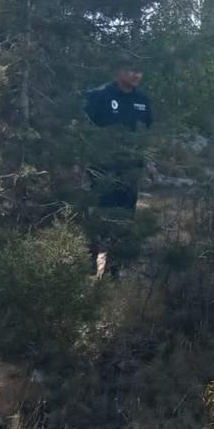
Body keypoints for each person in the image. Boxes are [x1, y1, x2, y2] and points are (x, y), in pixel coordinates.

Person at [83, 65, 153, 276]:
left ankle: (115, 268)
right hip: (102, 168)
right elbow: (85, 130)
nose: (136, 74)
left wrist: (147, 163)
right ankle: (90, 262)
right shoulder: (100, 95)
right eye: (131, 70)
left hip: (130, 169)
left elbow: (146, 133)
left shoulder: (142, 100)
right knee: (100, 213)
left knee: (124, 218)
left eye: (139, 70)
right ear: (119, 71)